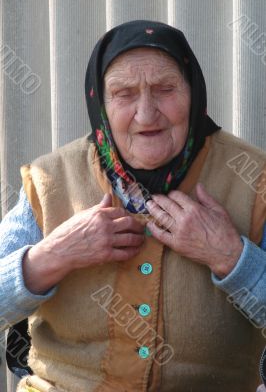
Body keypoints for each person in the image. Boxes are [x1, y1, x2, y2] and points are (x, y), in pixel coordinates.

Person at [1, 20, 266, 392]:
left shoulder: (254, 180)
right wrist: (51, 257)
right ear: (100, 104)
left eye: (165, 89)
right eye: (124, 93)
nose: (146, 113)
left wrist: (232, 257)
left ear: (194, 93)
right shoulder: (51, 182)